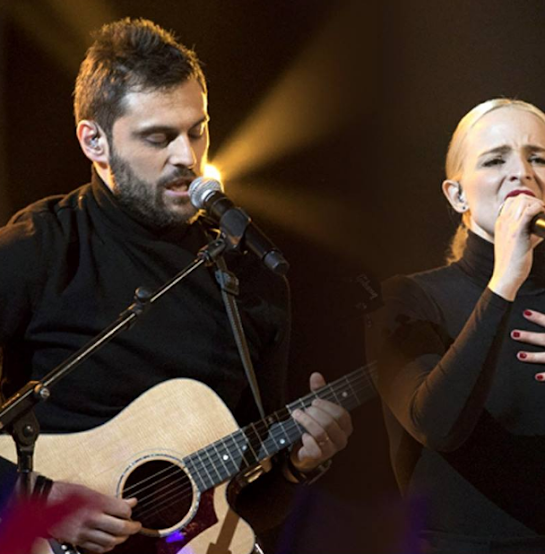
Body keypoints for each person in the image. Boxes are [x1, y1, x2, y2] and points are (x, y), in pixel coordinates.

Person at [0, 18, 352, 553]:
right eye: (159, 138)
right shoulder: (38, 249)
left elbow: (251, 510)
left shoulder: (250, 277)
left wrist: (296, 468)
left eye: (197, 130)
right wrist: (35, 500)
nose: (188, 157)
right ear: (94, 141)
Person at [367, 98, 545, 554]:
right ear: (457, 195)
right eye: (495, 160)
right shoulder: (408, 300)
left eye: (538, 159)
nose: (521, 172)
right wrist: (505, 281)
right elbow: (437, 425)